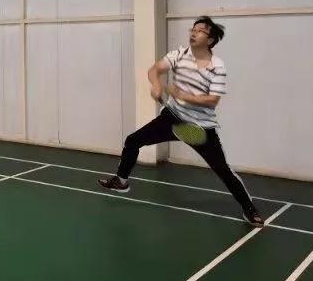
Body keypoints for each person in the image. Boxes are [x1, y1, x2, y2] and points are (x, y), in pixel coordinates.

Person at [98, 16, 264, 227]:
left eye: (200, 31)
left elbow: (213, 100)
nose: (193, 33)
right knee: (133, 141)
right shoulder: (180, 54)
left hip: (199, 128)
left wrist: (184, 96)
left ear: (210, 40)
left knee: (222, 170)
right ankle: (121, 181)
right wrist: (156, 84)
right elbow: (154, 70)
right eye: (192, 29)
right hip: (172, 118)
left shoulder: (217, 66)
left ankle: (249, 208)